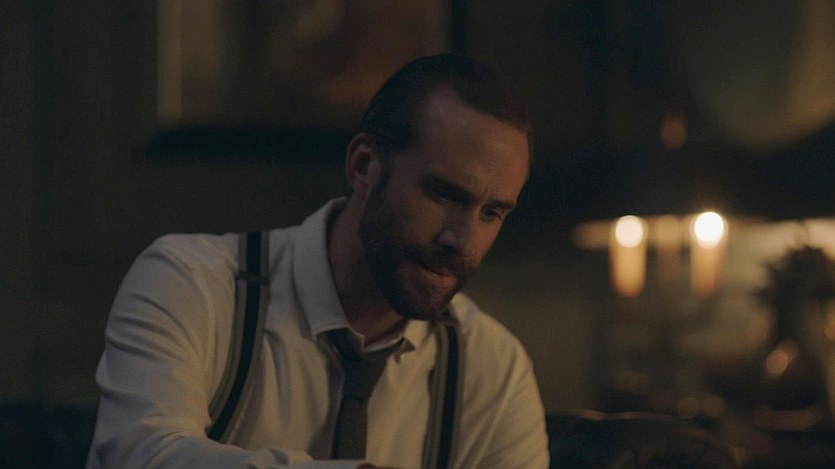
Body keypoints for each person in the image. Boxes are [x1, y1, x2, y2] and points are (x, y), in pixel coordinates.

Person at [85, 53, 548, 468]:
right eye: (444, 194)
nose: (463, 240)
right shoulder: (193, 284)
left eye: (492, 213)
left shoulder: (491, 367)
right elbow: (141, 455)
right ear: (364, 166)